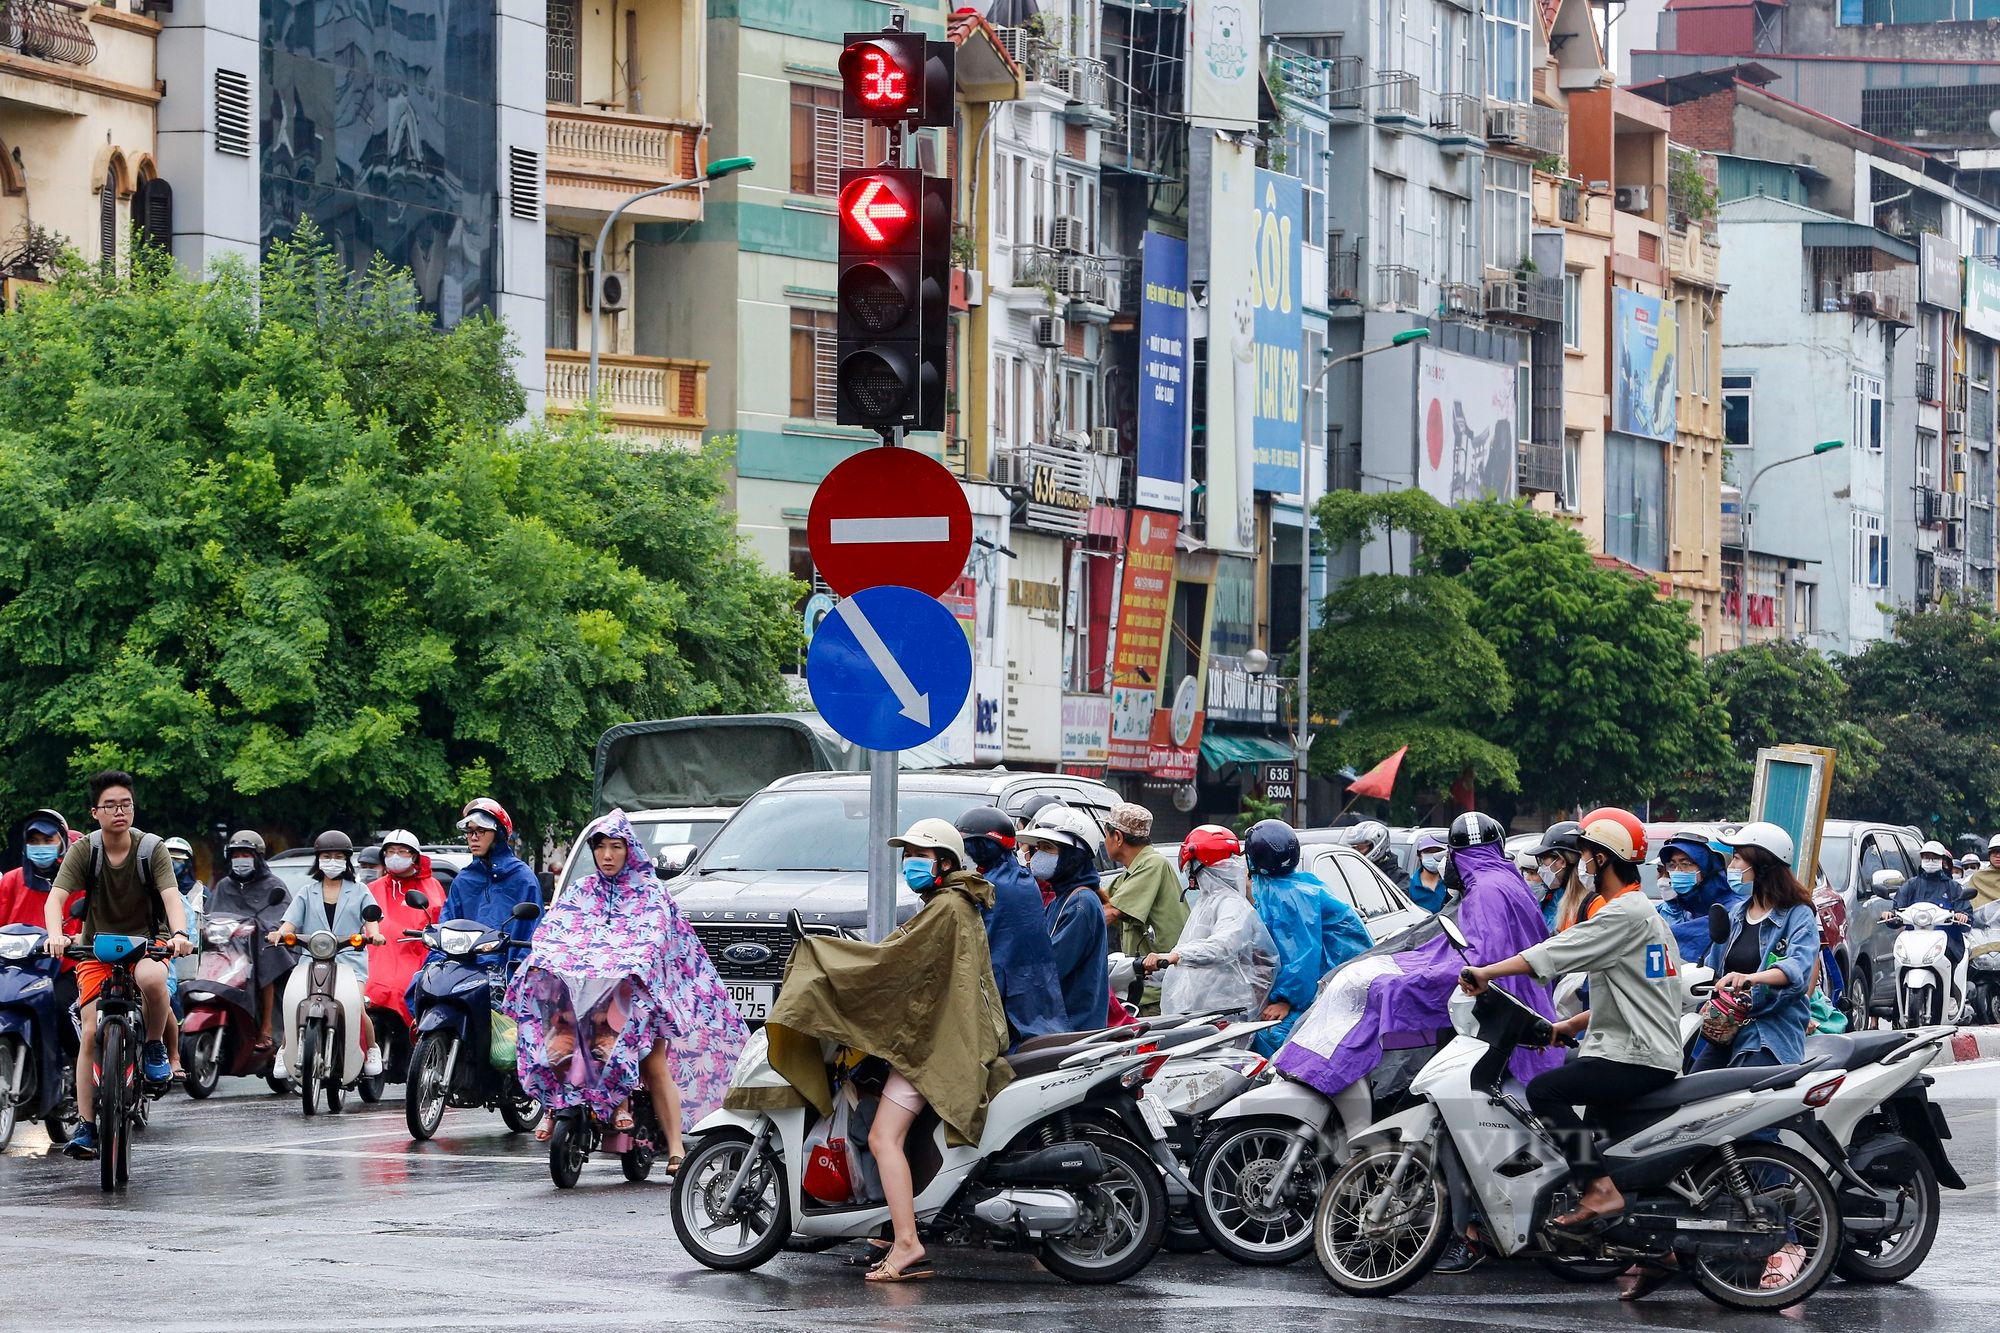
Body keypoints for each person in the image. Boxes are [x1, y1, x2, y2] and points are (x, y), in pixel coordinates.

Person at [741, 817, 1011, 1283]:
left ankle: (907, 1243)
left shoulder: (946, 908)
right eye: (906, 856)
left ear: (945, 863)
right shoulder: (950, 904)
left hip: (937, 1046)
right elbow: (900, 959)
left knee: (885, 1138)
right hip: (941, 1038)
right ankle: (890, 1232)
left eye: (919, 857)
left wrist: (822, 957)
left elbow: (890, 966)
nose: (910, 865)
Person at [1456, 810, 1683, 1263]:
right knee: (1604, 1145)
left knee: (1546, 1090)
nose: (1579, 864)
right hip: (1635, 1046)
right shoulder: (1643, 914)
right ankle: (1658, 1255)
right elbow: (1630, 994)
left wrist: (1486, 971)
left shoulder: (1624, 913)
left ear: (1601, 859)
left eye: (1582, 855)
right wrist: (1569, 1026)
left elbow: (1556, 952)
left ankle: (1599, 1191)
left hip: (1636, 1055)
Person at [508, 810, 747, 1171]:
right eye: (600, 847)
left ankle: (676, 1148)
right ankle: (556, 1104)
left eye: (615, 847)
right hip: (588, 992)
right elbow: (554, 931)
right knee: (555, 1018)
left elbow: (654, 941)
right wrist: (542, 958)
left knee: (653, 1062)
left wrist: (630, 964)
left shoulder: (651, 893)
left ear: (629, 849)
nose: (607, 855)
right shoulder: (580, 890)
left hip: (642, 993)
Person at [1276, 811, 1560, 1099]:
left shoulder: (1485, 890)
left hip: (1501, 1016)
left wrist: (1410, 979)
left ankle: (1319, 1073)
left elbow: (1481, 959)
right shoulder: (1503, 880)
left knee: (1366, 991)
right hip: (1518, 1006)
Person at [42, 771, 192, 1161]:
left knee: (151, 979)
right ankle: (87, 1126)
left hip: (148, 943)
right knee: (90, 1033)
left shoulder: (151, 849)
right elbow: (56, 898)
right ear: (96, 812)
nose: (119, 811)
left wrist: (178, 933)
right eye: (110, 805)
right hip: (96, 948)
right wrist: (56, 934)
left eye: (125, 804)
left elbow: (172, 896)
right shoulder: (84, 851)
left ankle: (156, 1045)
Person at [1695, 823, 1819, 1074]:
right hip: (1726, 1028)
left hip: (1770, 1034)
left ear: (1762, 866)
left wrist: (1751, 978)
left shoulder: (1798, 916)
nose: (1731, 867)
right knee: (1689, 1093)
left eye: (1738, 859)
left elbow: (1797, 970)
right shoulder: (1737, 915)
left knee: (1739, 1099)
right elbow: (1711, 968)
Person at [1243, 820, 1371, 1054]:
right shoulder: (1293, 886)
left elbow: (1301, 956)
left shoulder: (1287, 897)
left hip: (1337, 990)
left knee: (1271, 1035)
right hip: (1333, 986)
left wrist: (1286, 1000)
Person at [270, 831, 388, 1076]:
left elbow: (371, 918)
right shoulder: (306, 891)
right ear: (318, 859)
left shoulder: (359, 890)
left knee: (356, 1005)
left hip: (350, 960)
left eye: (338, 856)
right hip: (311, 960)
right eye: (326, 856)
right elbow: (290, 922)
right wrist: (278, 934)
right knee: (293, 1002)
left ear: (346, 860)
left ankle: (372, 1048)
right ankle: (284, 1050)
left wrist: (374, 934)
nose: (332, 861)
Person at [954, 807, 1065, 1047]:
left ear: (980, 847)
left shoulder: (990, 888)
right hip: (1036, 1000)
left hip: (1007, 1001)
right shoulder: (1022, 879)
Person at [1146, 826, 1277, 1022]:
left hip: (1224, 1015)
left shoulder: (1232, 905)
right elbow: (1194, 963)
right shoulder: (1207, 903)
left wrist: (1175, 956)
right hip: (1202, 1012)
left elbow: (1222, 947)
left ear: (1198, 863)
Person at [204, 830, 295, 1060]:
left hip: (262, 952)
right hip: (230, 951)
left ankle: (266, 1027)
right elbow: (211, 916)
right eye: (236, 855)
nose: (240, 860)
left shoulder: (274, 884)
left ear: (258, 857)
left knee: (267, 959)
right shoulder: (224, 885)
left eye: (246, 854)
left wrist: (266, 929)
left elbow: (284, 917)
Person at [1022, 806, 1109, 1034]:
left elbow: (1050, 969)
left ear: (1074, 858)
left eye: (1048, 848)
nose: (1039, 854)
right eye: (1038, 847)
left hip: (1072, 1029)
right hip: (1057, 1023)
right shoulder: (1062, 900)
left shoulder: (1081, 904)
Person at [1100, 801, 1187, 1014]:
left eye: (1106, 834)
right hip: (1139, 991)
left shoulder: (1153, 864)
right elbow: (1101, 902)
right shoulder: (1130, 873)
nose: (1104, 842)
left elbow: (1110, 913)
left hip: (1156, 996)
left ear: (1118, 838)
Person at [364, 829, 442, 1040]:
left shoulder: (431, 888)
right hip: (377, 957)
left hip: (417, 958)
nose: (395, 856)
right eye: (390, 852)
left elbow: (439, 924)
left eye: (402, 851)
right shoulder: (371, 889)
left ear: (415, 856)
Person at [437, 798, 541, 954]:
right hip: (465, 971)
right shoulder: (463, 880)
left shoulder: (523, 878)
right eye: (470, 831)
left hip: (509, 972)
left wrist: (520, 972)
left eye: (481, 830)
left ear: (498, 834)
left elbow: (534, 934)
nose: (473, 837)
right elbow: (446, 926)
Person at [1885, 838, 1971, 980]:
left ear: (1942, 860)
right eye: (1926, 857)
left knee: (1949, 957)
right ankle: (1900, 999)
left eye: (1935, 858)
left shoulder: (1953, 887)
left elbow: (1965, 913)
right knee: (1901, 961)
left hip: (1947, 941)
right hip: (1914, 941)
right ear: (1921, 858)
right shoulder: (1911, 885)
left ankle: (1950, 995)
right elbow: (1897, 909)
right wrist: (1890, 915)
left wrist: (1962, 916)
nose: (1930, 861)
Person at [1654, 831, 1746, 965]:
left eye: (1685, 864)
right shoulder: (1686, 907)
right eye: (1673, 865)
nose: (1677, 872)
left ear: (1710, 867)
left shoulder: (1736, 911)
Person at [2, 809, 75, 929]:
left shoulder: (76, 882)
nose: (40, 846)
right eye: (33, 841)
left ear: (63, 842)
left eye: (48, 840)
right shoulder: (11, 880)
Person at [1525, 821, 1585, 932]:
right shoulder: (1563, 899)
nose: (1541, 867)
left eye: (1542, 859)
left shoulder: (1587, 904)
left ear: (1562, 861)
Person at [1405, 832, 1448, 914]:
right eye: (1428, 851)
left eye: (1437, 851)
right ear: (1420, 855)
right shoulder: (1409, 885)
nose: (1433, 855)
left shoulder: (1451, 883)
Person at [1966, 835, 2000, 912]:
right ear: (1989, 855)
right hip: (1984, 922)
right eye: (1994, 852)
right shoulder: (1978, 878)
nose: (1998, 856)